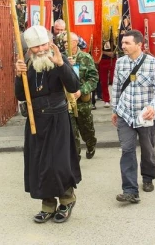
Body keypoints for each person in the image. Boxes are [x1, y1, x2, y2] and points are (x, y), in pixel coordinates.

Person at [15, 25, 81, 223]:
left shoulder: (59, 60)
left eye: (44, 44)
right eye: (36, 47)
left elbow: (74, 86)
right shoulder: (26, 63)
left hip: (58, 120)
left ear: (49, 43)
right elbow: (20, 95)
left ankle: (67, 200)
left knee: (58, 164)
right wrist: (19, 76)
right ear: (29, 49)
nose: (41, 49)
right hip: (36, 121)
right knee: (39, 164)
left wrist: (62, 65)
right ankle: (48, 205)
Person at [111, 30, 155, 203]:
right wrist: (114, 109)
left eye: (127, 43)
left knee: (147, 147)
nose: (123, 46)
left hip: (145, 115)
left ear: (138, 45)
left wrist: (153, 106)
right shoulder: (120, 63)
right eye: (122, 43)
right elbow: (117, 87)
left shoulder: (152, 63)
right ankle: (130, 190)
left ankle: (148, 177)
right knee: (127, 150)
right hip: (125, 113)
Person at [66, 32, 98, 159]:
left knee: (87, 129)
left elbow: (94, 78)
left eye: (67, 42)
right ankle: (75, 155)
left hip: (82, 102)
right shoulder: (62, 58)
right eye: (64, 42)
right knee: (71, 131)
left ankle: (91, 145)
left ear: (75, 42)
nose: (65, 44)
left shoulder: (86, 57)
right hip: (67, 101)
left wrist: (81, 91)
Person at [99, 33, 117, 108]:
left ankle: (116, 99)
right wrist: (106, 53)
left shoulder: (114, 33)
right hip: (102, 60)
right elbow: (96, 48)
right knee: (103, 81)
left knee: (114, 80)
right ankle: (106, 100)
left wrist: (114, 52)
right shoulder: (99, 34)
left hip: (113, 60)